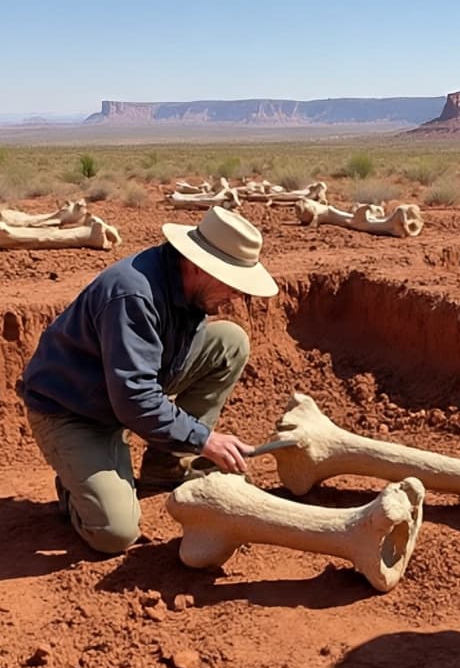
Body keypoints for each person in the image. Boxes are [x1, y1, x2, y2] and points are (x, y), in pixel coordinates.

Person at [20, 206, 278, 555]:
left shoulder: (189, 288)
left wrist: (188, 436)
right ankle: (75, 487)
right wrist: (205, 440)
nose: (237, 296)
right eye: (233, 284)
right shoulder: (133, 295)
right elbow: (135, 398)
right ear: (199, 266)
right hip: (73, 411)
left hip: (120, 391)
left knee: (230, 342)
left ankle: (166, 466)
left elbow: (140, 386)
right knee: (114, 532)